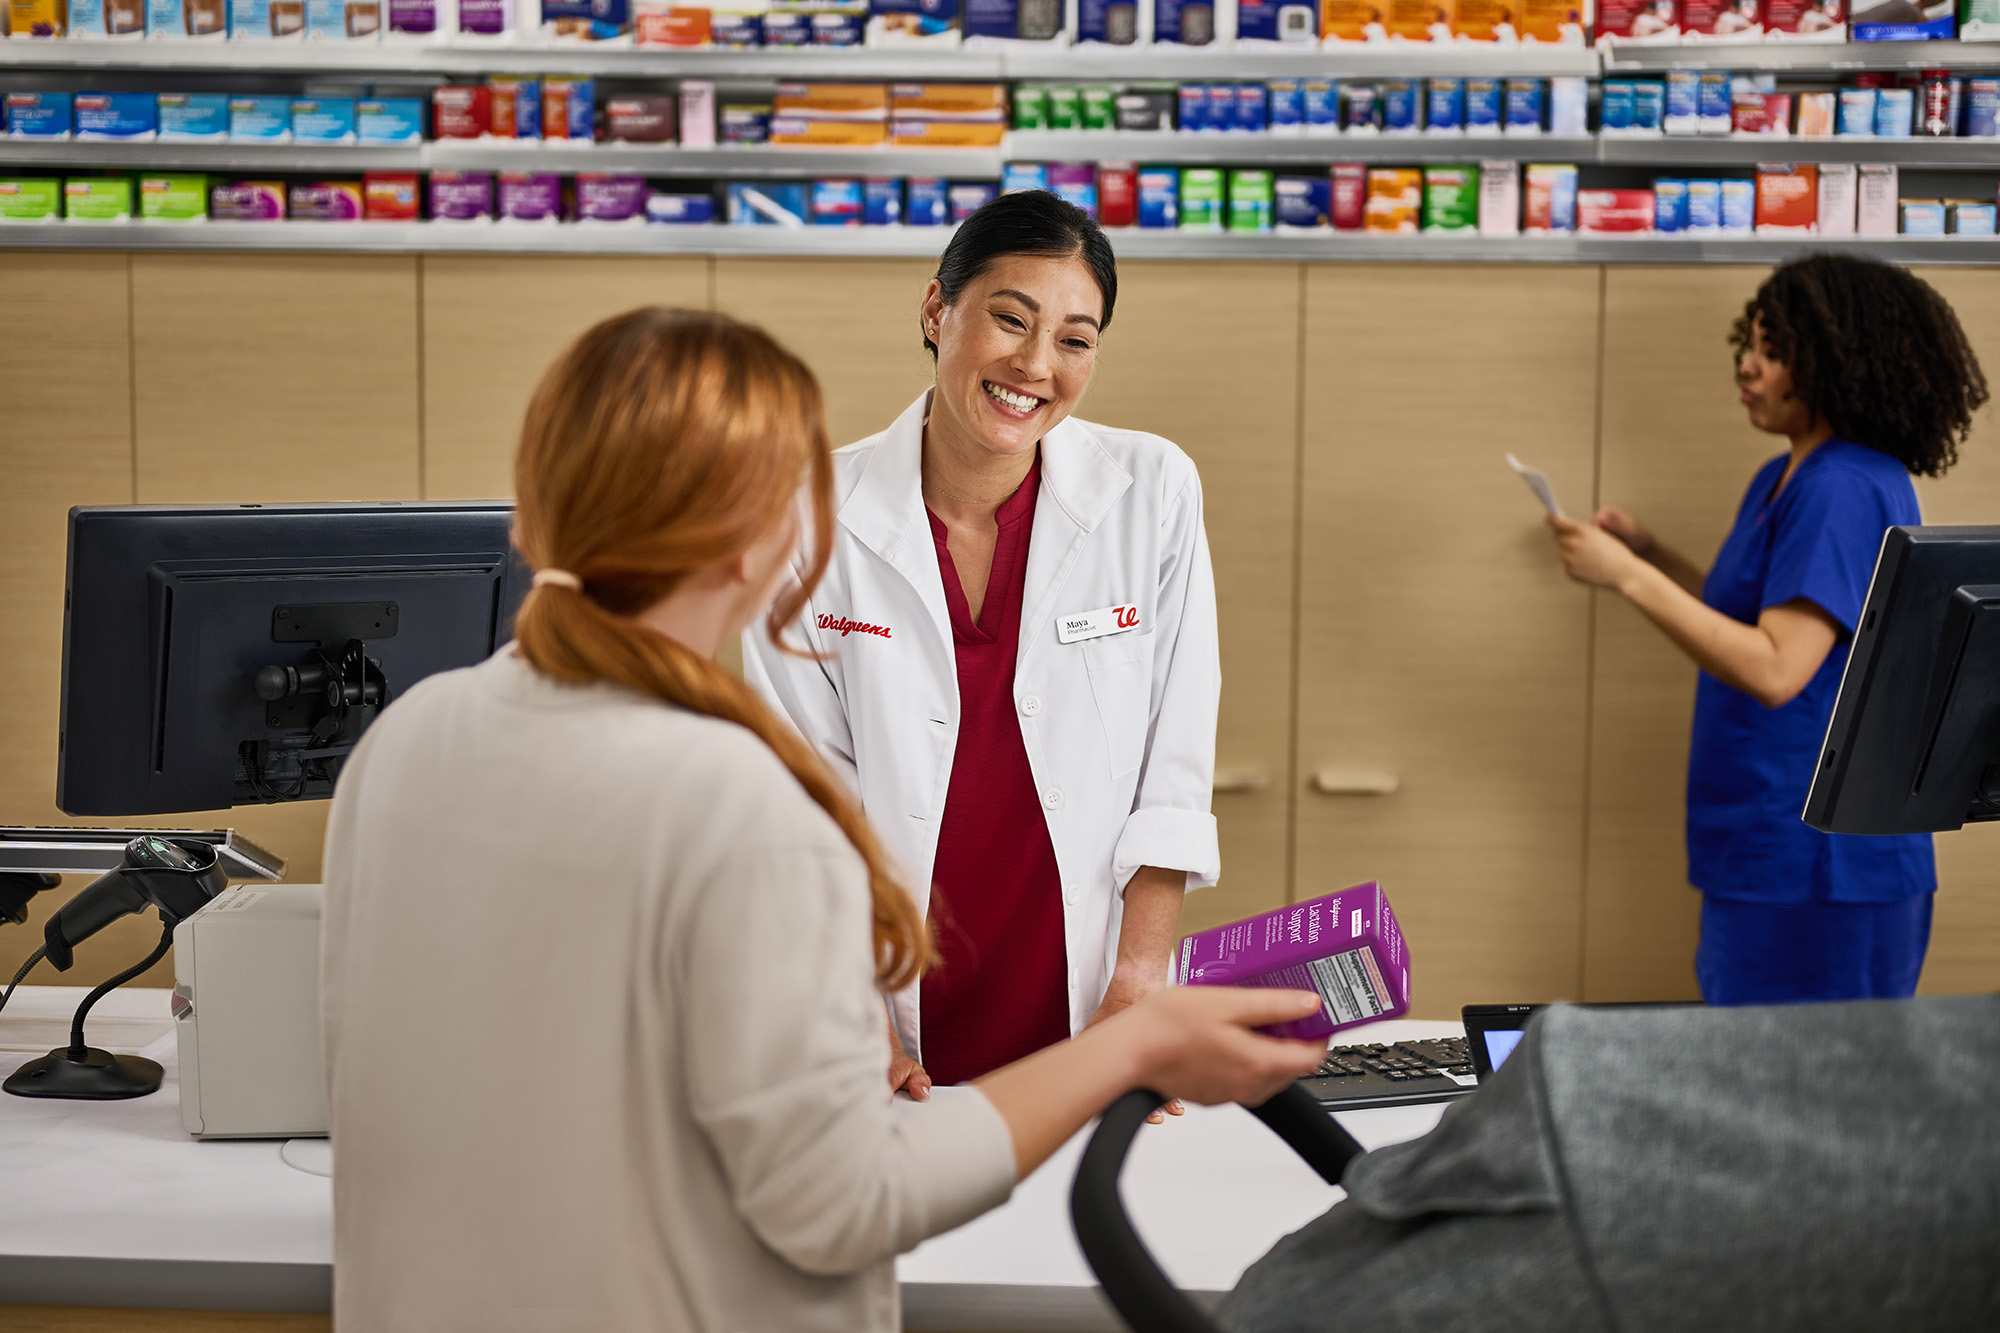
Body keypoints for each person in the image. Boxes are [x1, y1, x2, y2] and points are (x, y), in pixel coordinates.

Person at [318, 307, 1326, 1331]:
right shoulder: (737, 805)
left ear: (526, 519)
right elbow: (847, 1199)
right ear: (771, 546)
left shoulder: (404, 745)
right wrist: (1132, 1046)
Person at [744, 191, 1223, 1099]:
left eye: (1075, 340)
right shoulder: (804, 515)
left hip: (1086, 995)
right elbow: (803, 800)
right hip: (889, 1007)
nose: (1035, 365)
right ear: (936, 310)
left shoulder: (1150, 490)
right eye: (1010, 319)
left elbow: (1175, 757)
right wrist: (859, 1016)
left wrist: (1139, 978)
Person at [1544, 254, 1988, 1005]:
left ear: (1834, 362)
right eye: (1748, 345)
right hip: (1765, 846)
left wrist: (1624, 575)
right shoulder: (1788, 477)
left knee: (1808, 1099)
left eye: (1773, 351)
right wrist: (1648, 555)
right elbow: (1753, 619)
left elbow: (1778, 667)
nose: (1747, 367)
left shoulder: (1840, 487)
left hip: (1819, 864)